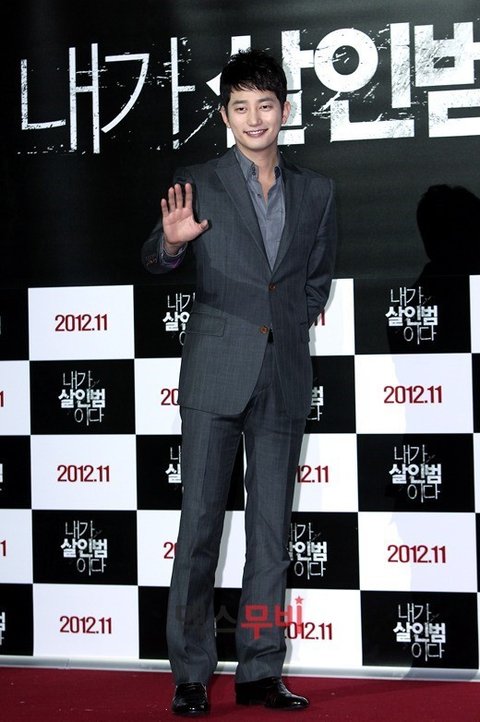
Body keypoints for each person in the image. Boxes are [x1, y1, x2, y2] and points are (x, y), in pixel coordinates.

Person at [142, 48, 337, 716]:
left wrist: (286, 323)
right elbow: (155, 257)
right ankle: (191, 673)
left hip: (283, 374)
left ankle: (259, 668)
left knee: (271, 536)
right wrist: (173, 243)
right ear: (225, 115)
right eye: (241, 106)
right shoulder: (197, 181)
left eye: (266, 105)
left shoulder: (317, 190)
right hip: (216, 372)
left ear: (284, 110)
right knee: (199, 526)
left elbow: (316, 279)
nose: (254, 118)